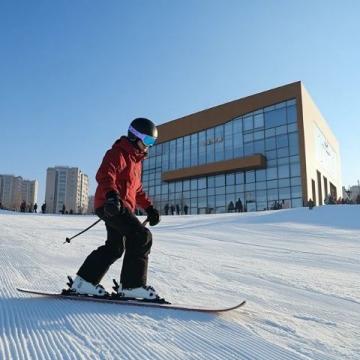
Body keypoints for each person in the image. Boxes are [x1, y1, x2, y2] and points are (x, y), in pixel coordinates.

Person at [69, 118, 161, 300]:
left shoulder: (136, 161)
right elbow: (105, 173)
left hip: (119, 206)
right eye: (148, 141)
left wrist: (149, 208)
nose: (149, 146)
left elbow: (137, 190)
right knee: (141, 236)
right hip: (111, 204)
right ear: (136, 137)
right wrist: (112, 196)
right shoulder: (118, 153)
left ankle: (84, 282)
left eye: (153, 143)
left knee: (115, 247)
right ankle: (132, 286)